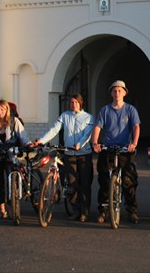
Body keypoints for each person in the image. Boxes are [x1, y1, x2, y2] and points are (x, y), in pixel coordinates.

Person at [33, 93, 94, 222]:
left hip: (83, 154)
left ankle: (85, 212)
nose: (73, 104)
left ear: (81, 103)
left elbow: (87, 134)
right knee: (72, 184)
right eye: (72, 102)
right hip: (69, 154)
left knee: (84, 183)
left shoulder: (88, 117)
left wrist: (79, 144)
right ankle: (76, 210)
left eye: (76, 102)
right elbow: (54, 129)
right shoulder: (65, 116)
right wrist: (41, 141)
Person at [92, 80, 141, 224]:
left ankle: (132, 211)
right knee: (104, 181)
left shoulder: (130, 110)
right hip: (108, 148)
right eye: (114, 91)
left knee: (128, 180)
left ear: (124, 93)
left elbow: (136, 127)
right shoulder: (105, 110)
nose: (117, 93)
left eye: (120, 91)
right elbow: (97, 128)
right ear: (111, 93)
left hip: (125, 149)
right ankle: (103, 210)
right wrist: (95, 143)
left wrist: (134, 143)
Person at [0, 99, 34, 219]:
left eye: (3, 109)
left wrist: (29, 145)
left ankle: (13, 207)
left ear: (7, 110)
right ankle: (2, 209)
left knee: (12, 181)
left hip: (11, 155)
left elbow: (23, 135)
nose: (0, 111)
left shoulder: (14, 122)